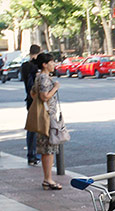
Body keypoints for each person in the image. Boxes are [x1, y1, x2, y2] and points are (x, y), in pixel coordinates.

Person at [31, 53, 63, 190]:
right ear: (45, 64)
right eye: (51, 62)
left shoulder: (39, 77)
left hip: (44, 115)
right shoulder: (44, 78)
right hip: (47, 117)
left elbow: (33, 94)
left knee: (46, 149)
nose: (53, 64)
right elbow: (44, 97)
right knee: (49, 149)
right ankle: (48, 179)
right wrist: (55, 87)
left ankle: (47, 178)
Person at [21, 44, 41, 166]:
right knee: (37, 129)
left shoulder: (24, 66)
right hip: (36, 100)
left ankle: (31, 154)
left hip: (29, 100)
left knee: (31, 128)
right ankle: (34, 155)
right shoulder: (35, 67)